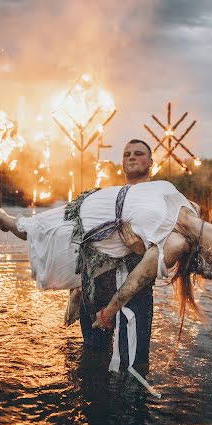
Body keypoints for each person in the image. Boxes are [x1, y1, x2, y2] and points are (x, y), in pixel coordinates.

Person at [0, 180, 212, 372]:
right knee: (44, 226)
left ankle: (9, 222)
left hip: (97, 227)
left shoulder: (175, 244)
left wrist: (107, 314)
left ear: (206, 254)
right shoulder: (192, 208)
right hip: (95, 202)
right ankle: (72, 286)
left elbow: (134, 282)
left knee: (41, 232)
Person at [78, 139, 154, 369]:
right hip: (94, 292)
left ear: (151, 162)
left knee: (131, 366)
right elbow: (87, 246)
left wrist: (140, 249)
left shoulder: (156, 200)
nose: (131, 157)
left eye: (138, 153)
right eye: (127, 153)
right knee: (92, 359)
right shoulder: (109, 199)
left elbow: (167, 258)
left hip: (134, 298)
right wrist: (76, 292)